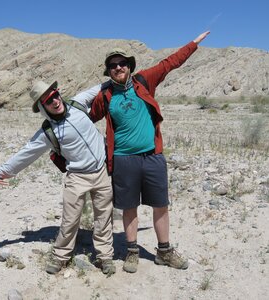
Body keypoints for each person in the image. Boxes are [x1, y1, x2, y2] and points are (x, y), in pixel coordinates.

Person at [89, 31, 210, 273]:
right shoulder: (105, 95)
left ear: (129, 66)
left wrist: (193, 44)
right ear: (108, 71)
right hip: (123, 159)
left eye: (122, 63)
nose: (118, 67)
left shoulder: (143, 81)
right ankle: (132, 251)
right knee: (129, 206)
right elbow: (88, 118)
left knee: (160, 205)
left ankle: (164, 251)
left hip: (152, 156)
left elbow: (169, 64)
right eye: (112, 66)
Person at [0, 80, 116, 275]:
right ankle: (61, 256)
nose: (55, 101)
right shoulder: (47, 133)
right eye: (48, 100)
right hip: (77, 178)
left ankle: (105, 257)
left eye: (55, 95)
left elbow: (100, 88)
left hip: (101, 172)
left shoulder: (78, 103)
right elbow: (24, 156)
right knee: (70, 221)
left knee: (104, 217)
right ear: (42, 107)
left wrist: (118, 71)